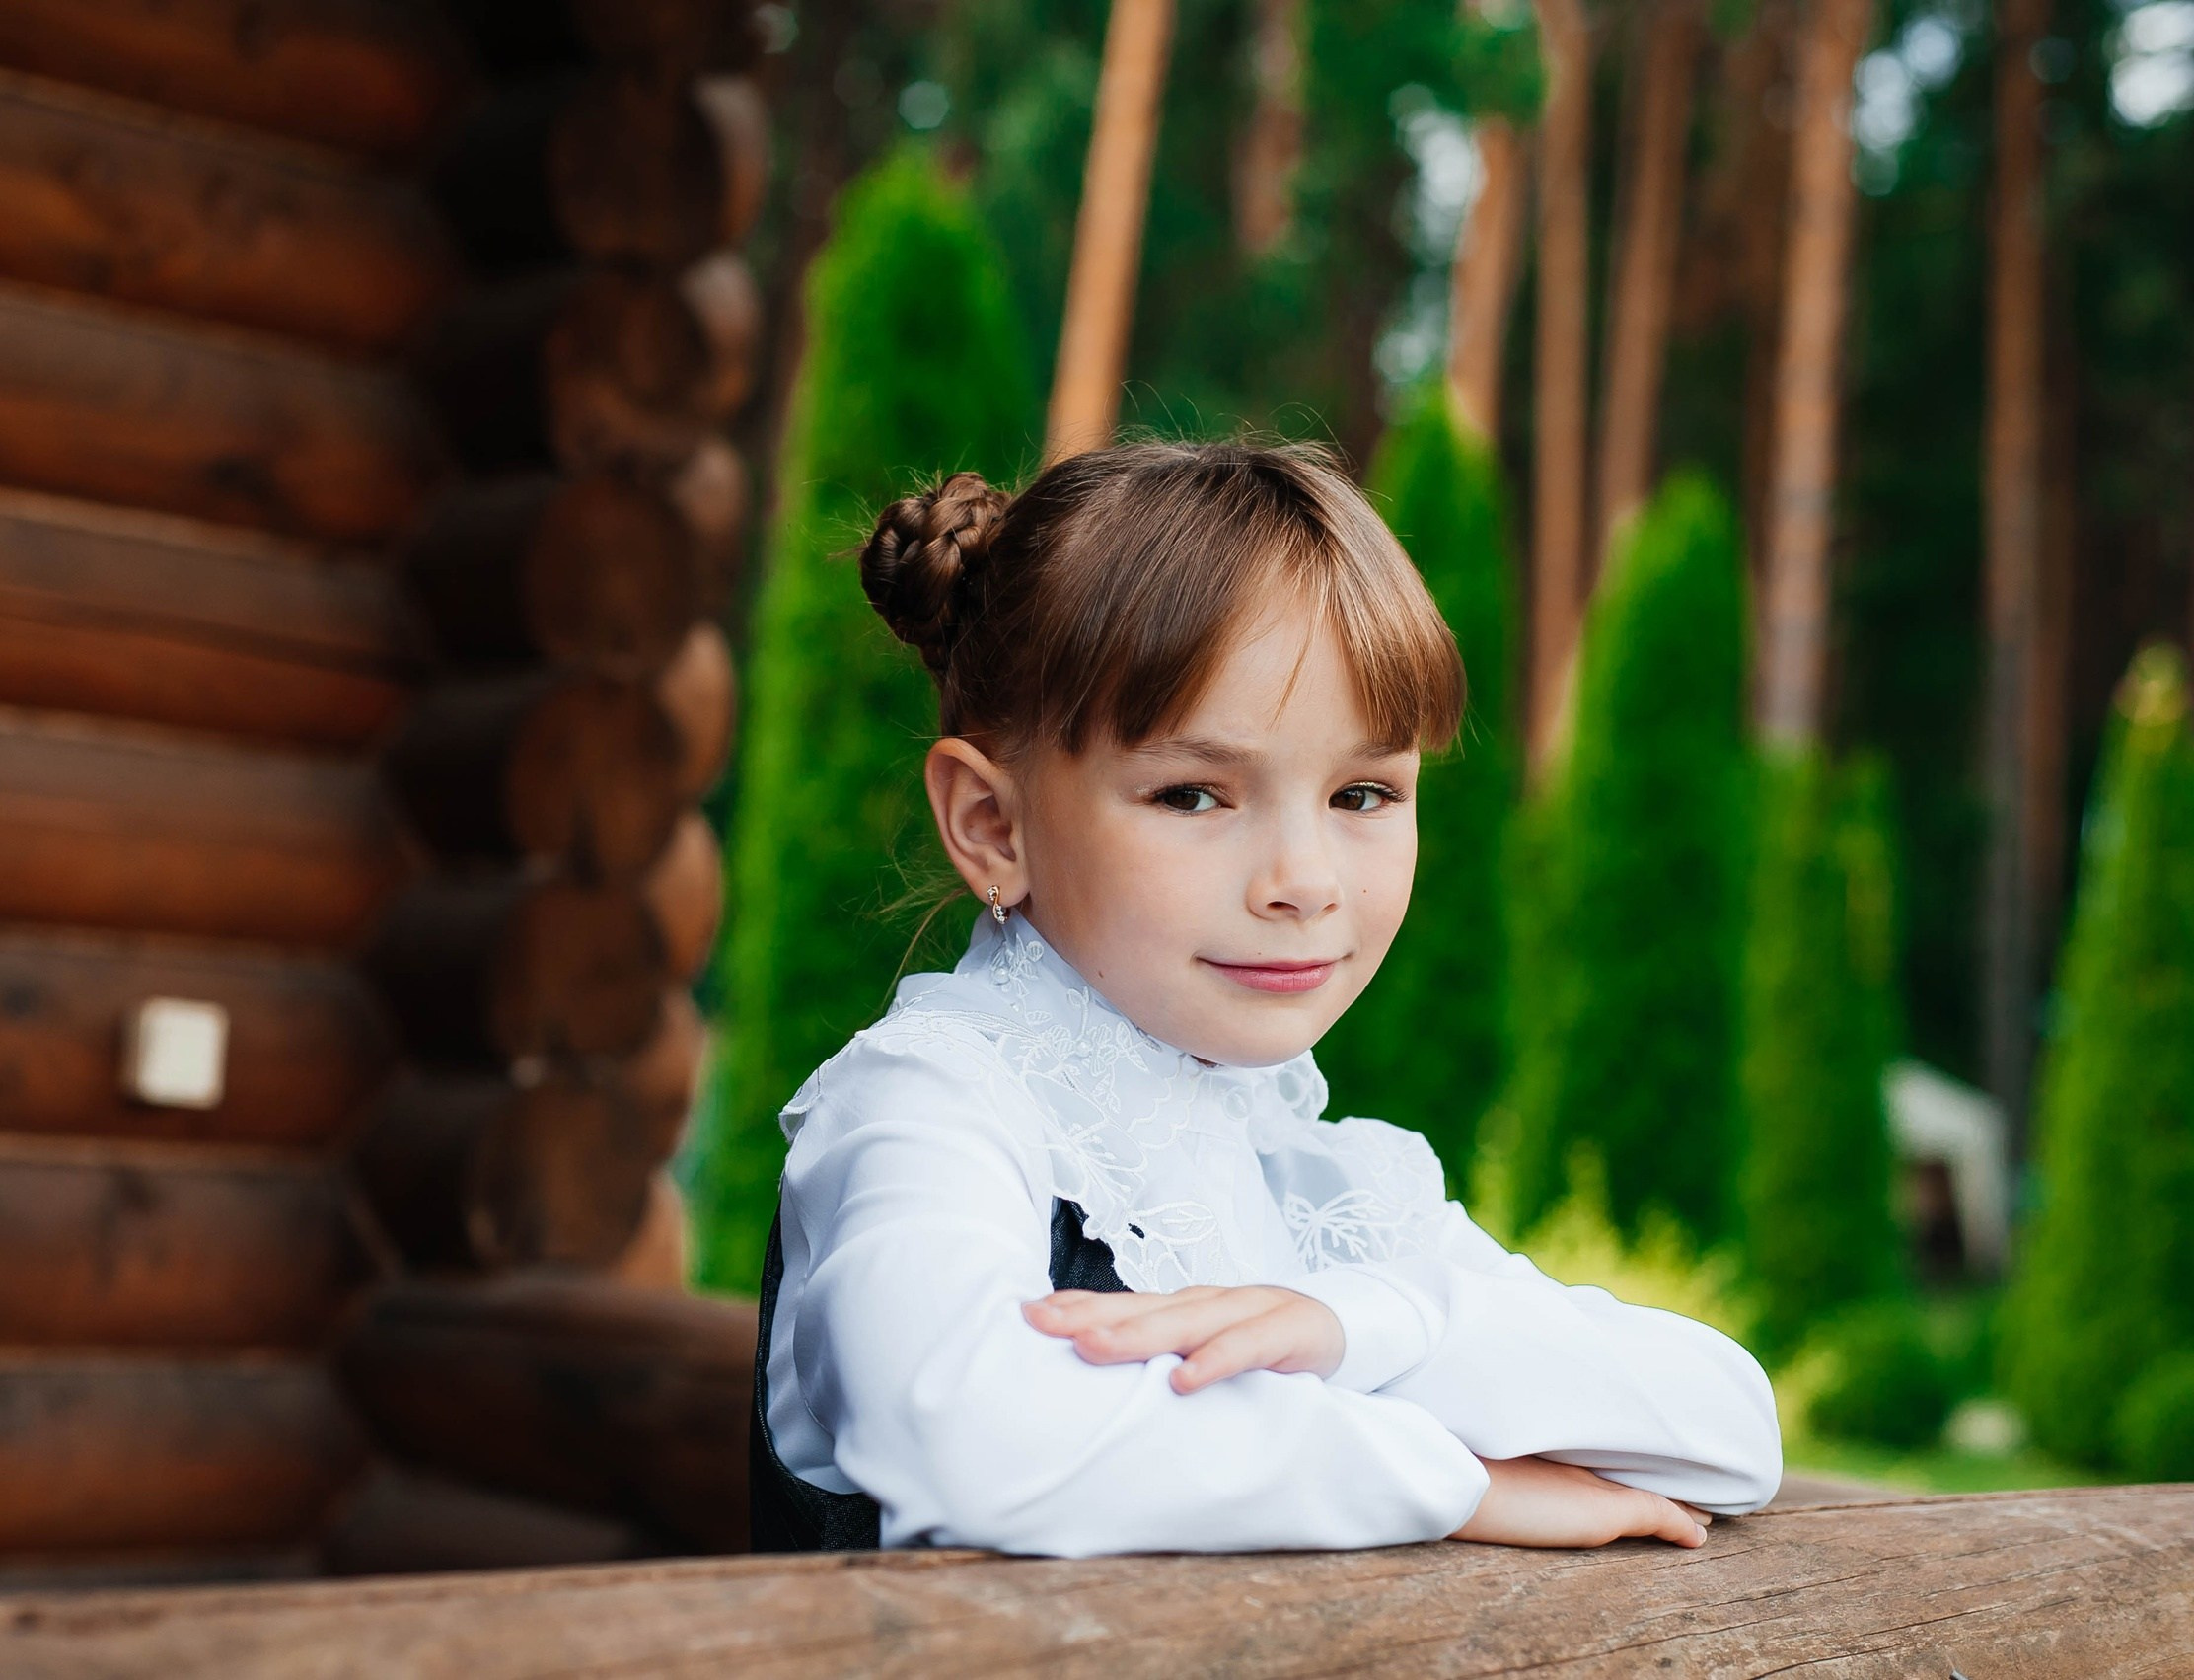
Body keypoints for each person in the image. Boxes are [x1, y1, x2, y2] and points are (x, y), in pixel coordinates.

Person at [749, 440, 1782, 1557]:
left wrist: (1355, 1326)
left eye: (1363, 791)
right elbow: (965, 1434)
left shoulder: (1305, 1166)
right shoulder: (932, 1104)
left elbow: (1725, 1424)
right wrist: (1454, 1481)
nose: (1303, 880)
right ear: (992, 824)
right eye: (1193, 793)